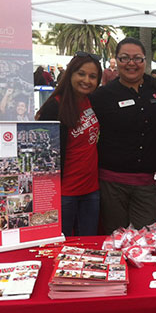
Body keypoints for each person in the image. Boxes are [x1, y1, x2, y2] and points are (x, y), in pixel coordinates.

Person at [90, 38, 156, 234]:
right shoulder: (103, 95)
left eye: (137, 58)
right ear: (116, 61)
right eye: (124, 58)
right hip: (111, 183)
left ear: (145, 61)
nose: (131, 63)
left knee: (146, 241)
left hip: (146, 183)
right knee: (115, 239)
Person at [36, 51, 102, 236]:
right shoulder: (54, 106)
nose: (86, 80)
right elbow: (42, 156)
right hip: (64, 193)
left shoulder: (92, 101)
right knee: (60, 247)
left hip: (91, 190)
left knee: (87, 245)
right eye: (81, 73)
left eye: (92, 76)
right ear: (70, 74)